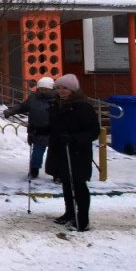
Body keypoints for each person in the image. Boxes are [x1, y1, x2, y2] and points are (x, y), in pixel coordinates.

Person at [46, 74, 100, 232]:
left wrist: (74, 138)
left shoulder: (83, 107)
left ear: (73, 89)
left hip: (77, 152)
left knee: (79, 185)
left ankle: (83, 219)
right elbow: (55, 128)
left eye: (65, 88)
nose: (61, 91)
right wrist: (39, 131)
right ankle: (69, 213)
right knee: (66, 183)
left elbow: (93, 131)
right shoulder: (57, 105)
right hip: (62, 151)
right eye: (59, 88)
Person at [3, 76, 56, 178]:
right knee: (37, 152)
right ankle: (34, 170)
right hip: (37, 130)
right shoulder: (33, 98)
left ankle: (56, 173)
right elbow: (22, 107)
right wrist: (10, 111)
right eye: (41, 89)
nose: (43, 92)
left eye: (46, 90)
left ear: (51, 89)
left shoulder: (57, 99)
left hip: (53, 131)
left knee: (54, 154)